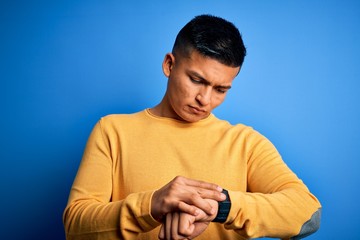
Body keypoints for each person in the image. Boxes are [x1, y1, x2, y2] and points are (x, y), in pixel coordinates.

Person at [63, 14, 321, 239]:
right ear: (169, 65)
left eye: (220, 90)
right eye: (197, 80)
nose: (205, 100)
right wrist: (152, 205)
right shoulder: (112, 131)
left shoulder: (245, 143)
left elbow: (308, 215)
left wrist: (218, 207)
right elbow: (75, 227)